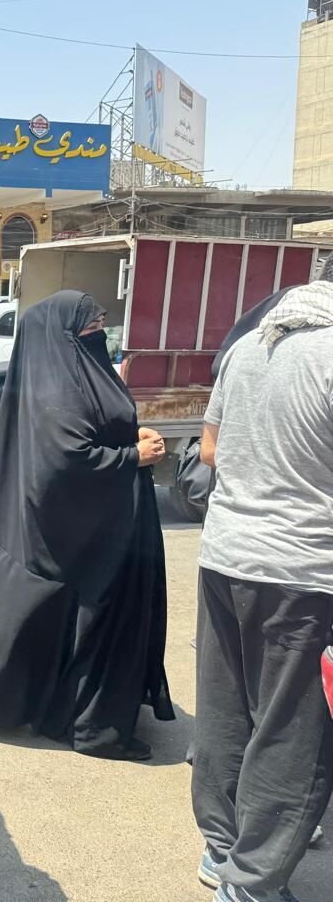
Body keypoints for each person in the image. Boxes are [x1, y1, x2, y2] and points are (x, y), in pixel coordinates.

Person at [0, 290, 175, 761]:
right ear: (60, 335)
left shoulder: (64, 375)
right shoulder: (56, 387)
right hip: (75, 533)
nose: (100, 333)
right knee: (93, 617)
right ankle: (93, 728)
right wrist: (133, 456)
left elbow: (89, 426)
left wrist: (129, 434)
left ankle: (66, 713)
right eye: (90, 325)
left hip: (81, 523)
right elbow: (65, 458)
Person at [192, 281, 333, 902]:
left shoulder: (250, 346)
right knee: (295, 731)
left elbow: (210, 448)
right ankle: (252, 882)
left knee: (227, 710)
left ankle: (222, 846)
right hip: (303, 570)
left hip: (226, 556)